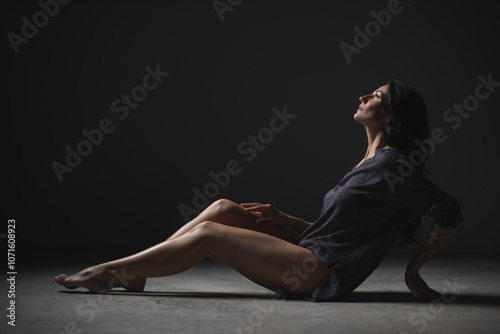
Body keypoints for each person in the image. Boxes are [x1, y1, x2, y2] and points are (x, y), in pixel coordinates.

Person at [55, 80, 463, 302]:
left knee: (209, 236)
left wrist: (414, 272)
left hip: (320, 275)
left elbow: (450, 212)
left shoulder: (395, 167)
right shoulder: (370, 161)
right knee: (223, 208)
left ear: (392, 114)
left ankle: (108, 272)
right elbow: (341, 233)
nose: (362, 96)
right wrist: (285, 219)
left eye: (374, 96)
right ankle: (136, 274)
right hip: (315, 254)